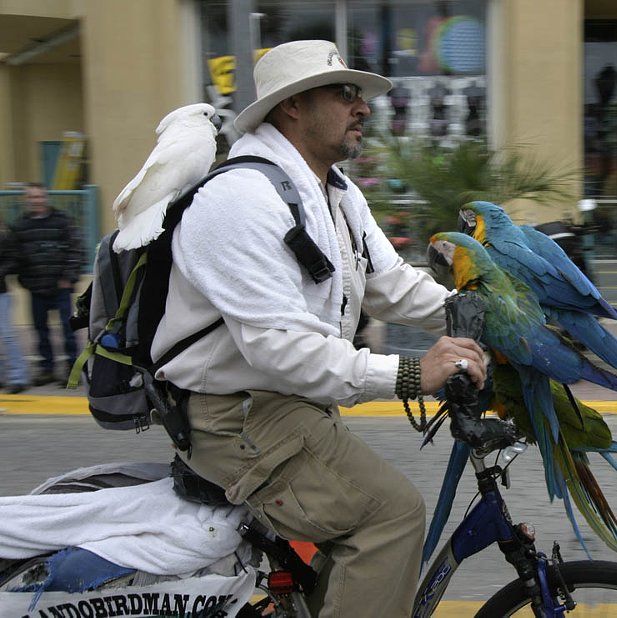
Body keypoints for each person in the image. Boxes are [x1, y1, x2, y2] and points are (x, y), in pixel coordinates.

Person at [149, 40, 487, 617]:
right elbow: (281, 349)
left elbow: (390, 284)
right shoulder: (238, 199)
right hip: (235, 417)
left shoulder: (337, 194)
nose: (363, 107)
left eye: (360, 95)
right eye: (344, 93)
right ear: (292, 107)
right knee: (390, 513)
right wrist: (413, 373)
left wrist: (489, 318)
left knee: (345, 546)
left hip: (288, 407)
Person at [9, 183, 82, 386]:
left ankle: (71, 370)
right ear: (27, 200)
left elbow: (76, 248)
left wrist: (68, 277)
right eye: (32, 197)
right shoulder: (20, 226)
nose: (36, 201)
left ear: (46, 197)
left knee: (68, 331)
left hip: (61, 287)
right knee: (40, 332)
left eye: (39, 196)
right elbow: (15, 256)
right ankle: (47, 369)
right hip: (36, 288)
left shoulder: (62, 221)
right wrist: (25, 280)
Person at [0, 223, 28, 393]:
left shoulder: (4, 236)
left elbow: (13, 260)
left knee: (7, 335)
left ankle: (19, 377)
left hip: (0, 293)